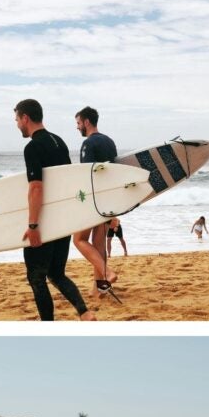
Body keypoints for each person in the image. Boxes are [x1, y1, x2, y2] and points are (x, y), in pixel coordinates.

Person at [14, 99, 94, 321]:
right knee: (56, 273)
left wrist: (33, 226)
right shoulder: (58, 142)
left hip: (45, 223)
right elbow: (67, 182)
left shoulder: (32, 147)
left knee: (36, 278)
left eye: (17, 119)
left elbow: (36, 187)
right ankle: (85, 313)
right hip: (63, 220)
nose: (17, 124)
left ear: (25, 118)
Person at [73, 106, 119, 297]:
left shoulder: (88, 144)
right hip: (108, 199)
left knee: (79, 240)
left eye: (78, 123)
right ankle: (99, 288)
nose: (77, 128)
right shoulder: (110, 142)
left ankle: (107, 273)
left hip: (94, 200)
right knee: (98, 245)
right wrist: (114, 210)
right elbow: (115, 174)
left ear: (86, 122)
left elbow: (88, 175)